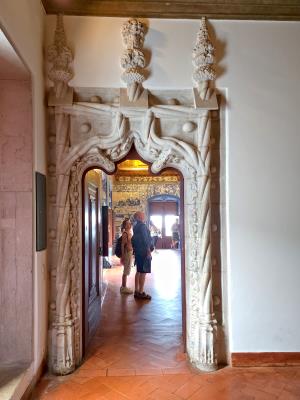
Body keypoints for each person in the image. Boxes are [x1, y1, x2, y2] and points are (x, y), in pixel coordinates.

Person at [132, 211, 152, 300]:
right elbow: (145, 238)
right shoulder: (142, 226)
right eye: (143, 214)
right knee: (143, 272)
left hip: (138, 251)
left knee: (138, 271)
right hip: (143, 251)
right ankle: (141, 292)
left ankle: (136, 290)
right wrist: (148, 250)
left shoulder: (135, 226)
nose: (144, 215)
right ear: (139, 217)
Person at [120, 218, 134, 294]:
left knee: (127, 269)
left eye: (130, 223)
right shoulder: (125, 233)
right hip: (127, 253)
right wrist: (123, 256)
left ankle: (123, 286)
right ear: (125, 226)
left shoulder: (129, 232)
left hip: (130, 252)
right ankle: (123, 287)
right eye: (128, 223)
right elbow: (122, 245)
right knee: (126, 270)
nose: (130, 224)